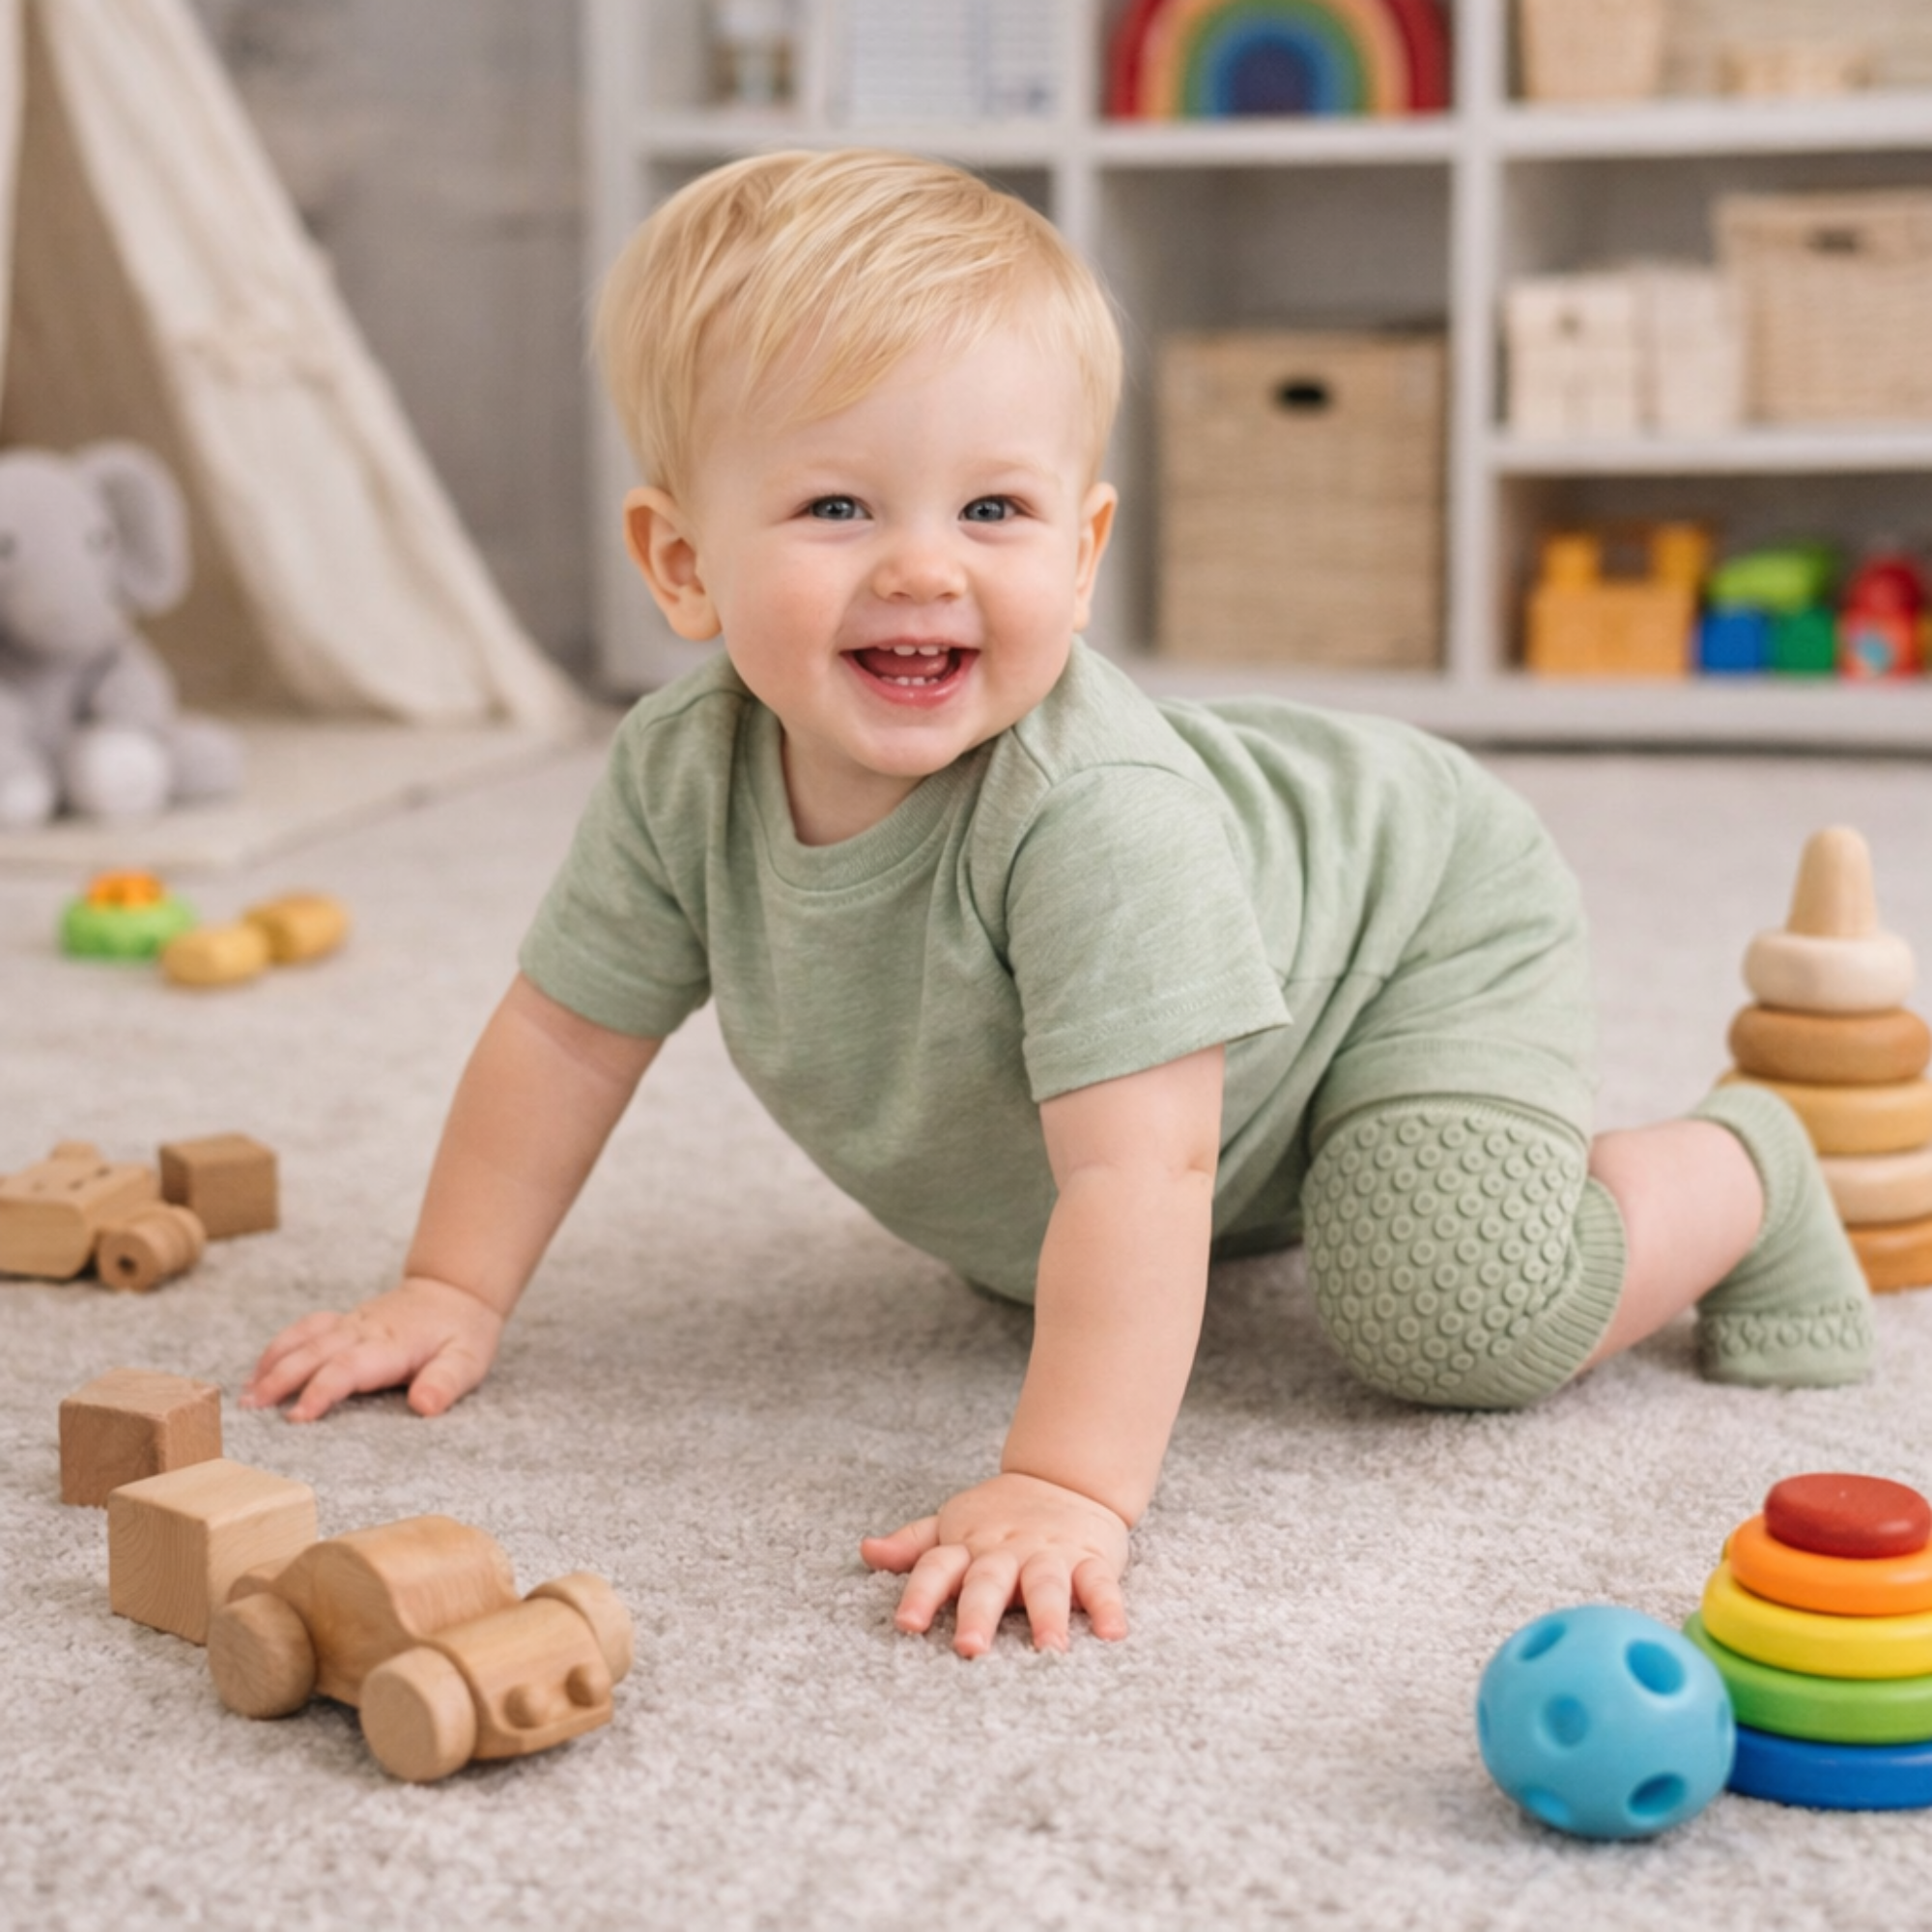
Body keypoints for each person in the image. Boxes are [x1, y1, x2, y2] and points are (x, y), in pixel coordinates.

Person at [244, 148, 1873, 1658]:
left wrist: (1071, 1482)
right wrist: (451, 1286)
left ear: (1083, 554)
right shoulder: (683, 771)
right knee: (1048, 1239)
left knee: (1451, 1317)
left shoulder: (1093, 820)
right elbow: (565, 1035)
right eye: (836, 507)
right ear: (680, 565)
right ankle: (1314, 1167)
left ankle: (1747, 1164)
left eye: (993, 510)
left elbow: (1144, 1168)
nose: (922, 568)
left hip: (1409, 922)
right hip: (1215, 1046)